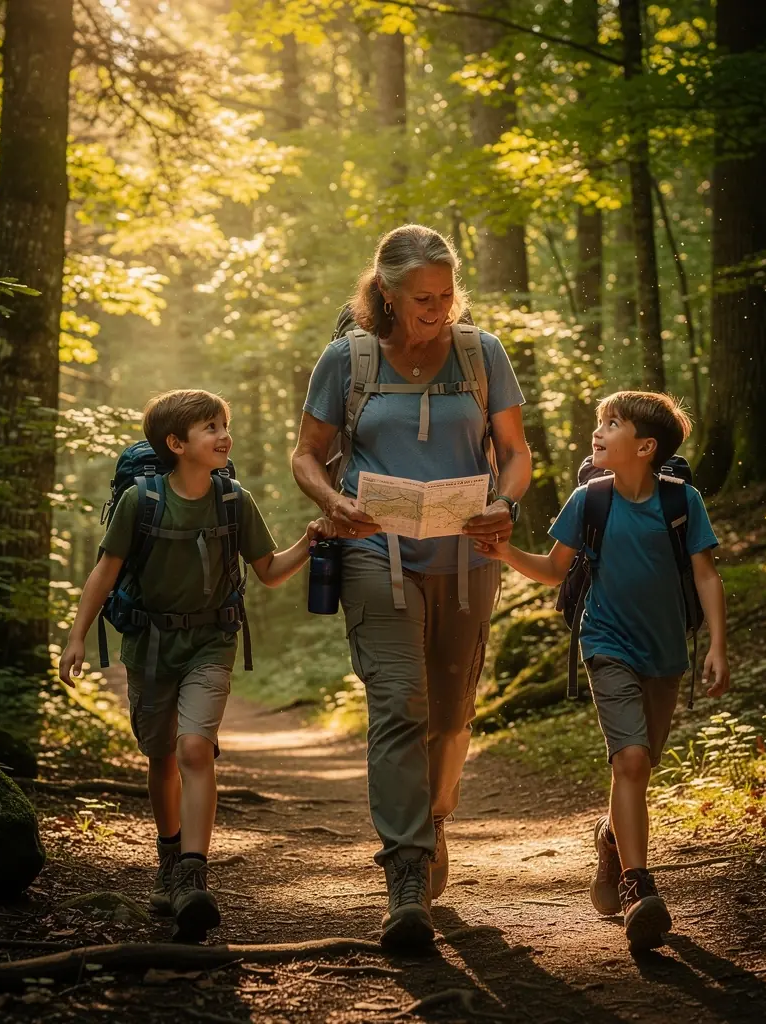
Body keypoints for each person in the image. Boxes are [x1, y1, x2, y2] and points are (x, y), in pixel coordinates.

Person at [291, 224, 532, 950]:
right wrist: (333, 503)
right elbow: (307, 455)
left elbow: (516, 454)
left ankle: (433, 819)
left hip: (467, 558)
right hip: (374, 551)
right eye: (423, 298)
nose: (438, 309)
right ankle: (405, 869)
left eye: (447, 295)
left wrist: (507, 504)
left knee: (451, 713)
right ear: (387, 293)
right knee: (400, 699)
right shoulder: (347, 360)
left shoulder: (480, 351)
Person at [59, 389, 332, 942]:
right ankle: (167, 859)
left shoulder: (234, 501)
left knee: (194, 747)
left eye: (224, 424)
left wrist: (309, 539)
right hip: (150, 645)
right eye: (210, 428)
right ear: (176, 444)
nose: (223, 435)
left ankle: (191, 874)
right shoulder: (141, 502)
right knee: (160, 756)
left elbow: (270, 571)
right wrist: (76, 638)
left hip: (212, 641)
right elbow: (104, 573)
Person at [474, 390, 729, 951]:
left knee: (641, 768)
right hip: (606, 643)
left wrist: (717, 645)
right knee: (631, 760)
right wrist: (504, 553)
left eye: (612, 424)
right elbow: (552, 569)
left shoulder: (682, 502)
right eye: (599, 422)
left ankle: (611, 839)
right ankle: (640, 887)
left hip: (666, 655)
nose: (598, 432)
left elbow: (706, 575)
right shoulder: (590, 500)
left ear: (645, 446)